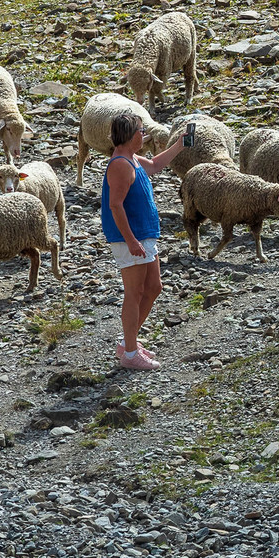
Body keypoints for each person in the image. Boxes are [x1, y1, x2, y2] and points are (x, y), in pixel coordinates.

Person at [102, 112, 186, 370]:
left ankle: (128, 342)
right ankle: (129, 353)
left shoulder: (132, 159)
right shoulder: (119, 164)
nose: (144, 135)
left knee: (153, 287)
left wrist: (180, 144)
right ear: (129, 135)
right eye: (140, 131)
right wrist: (131, 241)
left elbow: (155, 165)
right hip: (131, 237)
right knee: (135, 292)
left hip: (143, 235)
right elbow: (115, 206)